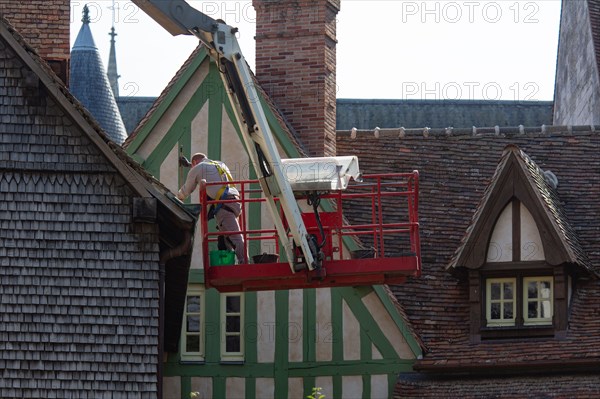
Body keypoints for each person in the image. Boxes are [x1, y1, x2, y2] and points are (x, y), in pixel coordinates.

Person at [177, 153, 246, 264]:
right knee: (224, 238)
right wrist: (191, 165)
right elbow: (208, 172)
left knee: (235, 236)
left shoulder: (198, 168)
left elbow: (185, 192)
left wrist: (176, 197)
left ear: (195, 162)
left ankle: (244, 263)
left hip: (224, 205)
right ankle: (227, 264)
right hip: (235, 202)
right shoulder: (218, 164)